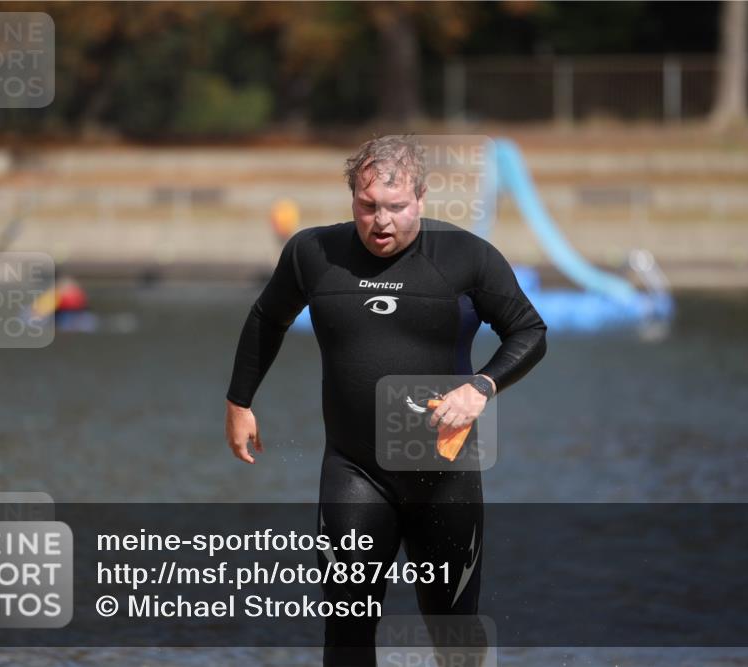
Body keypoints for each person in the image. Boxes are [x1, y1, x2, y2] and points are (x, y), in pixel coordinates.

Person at [224, 135, 547, 665]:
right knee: (346, 635)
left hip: (443, 472)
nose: (381, 221)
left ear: (420, 197)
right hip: (354, 471)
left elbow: (529, 332)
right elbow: (268, 318)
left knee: (453, 634)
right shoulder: (313, 253)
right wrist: (239, 401)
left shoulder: (466, 257)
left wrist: (481, 387)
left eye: (396, 207)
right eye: (367, 205)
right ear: (352, 197)